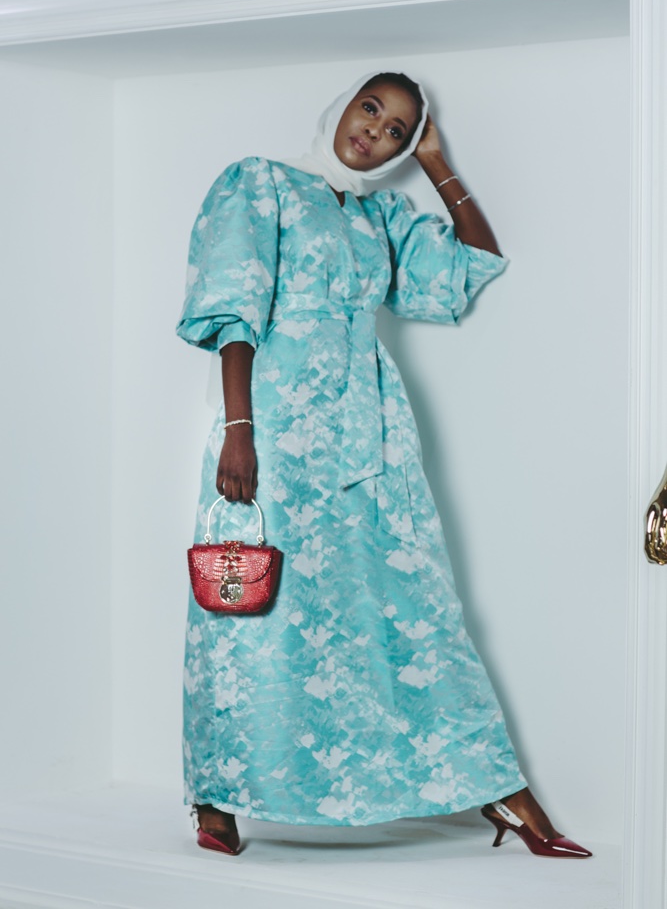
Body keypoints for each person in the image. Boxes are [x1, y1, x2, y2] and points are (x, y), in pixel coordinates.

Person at [176, 70, 592, 859]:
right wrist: (239, 427)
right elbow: (233, 307)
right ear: (342, 104)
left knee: (414, 608)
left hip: (370, 434)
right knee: (250, 607)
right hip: (273, 431)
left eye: (397, 129)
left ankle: (501, 793)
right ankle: (217, 794)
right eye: (370, 109)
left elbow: (471, 263)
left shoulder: (383, 215)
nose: (376, 131)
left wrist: (435, 162)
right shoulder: (260, 184)